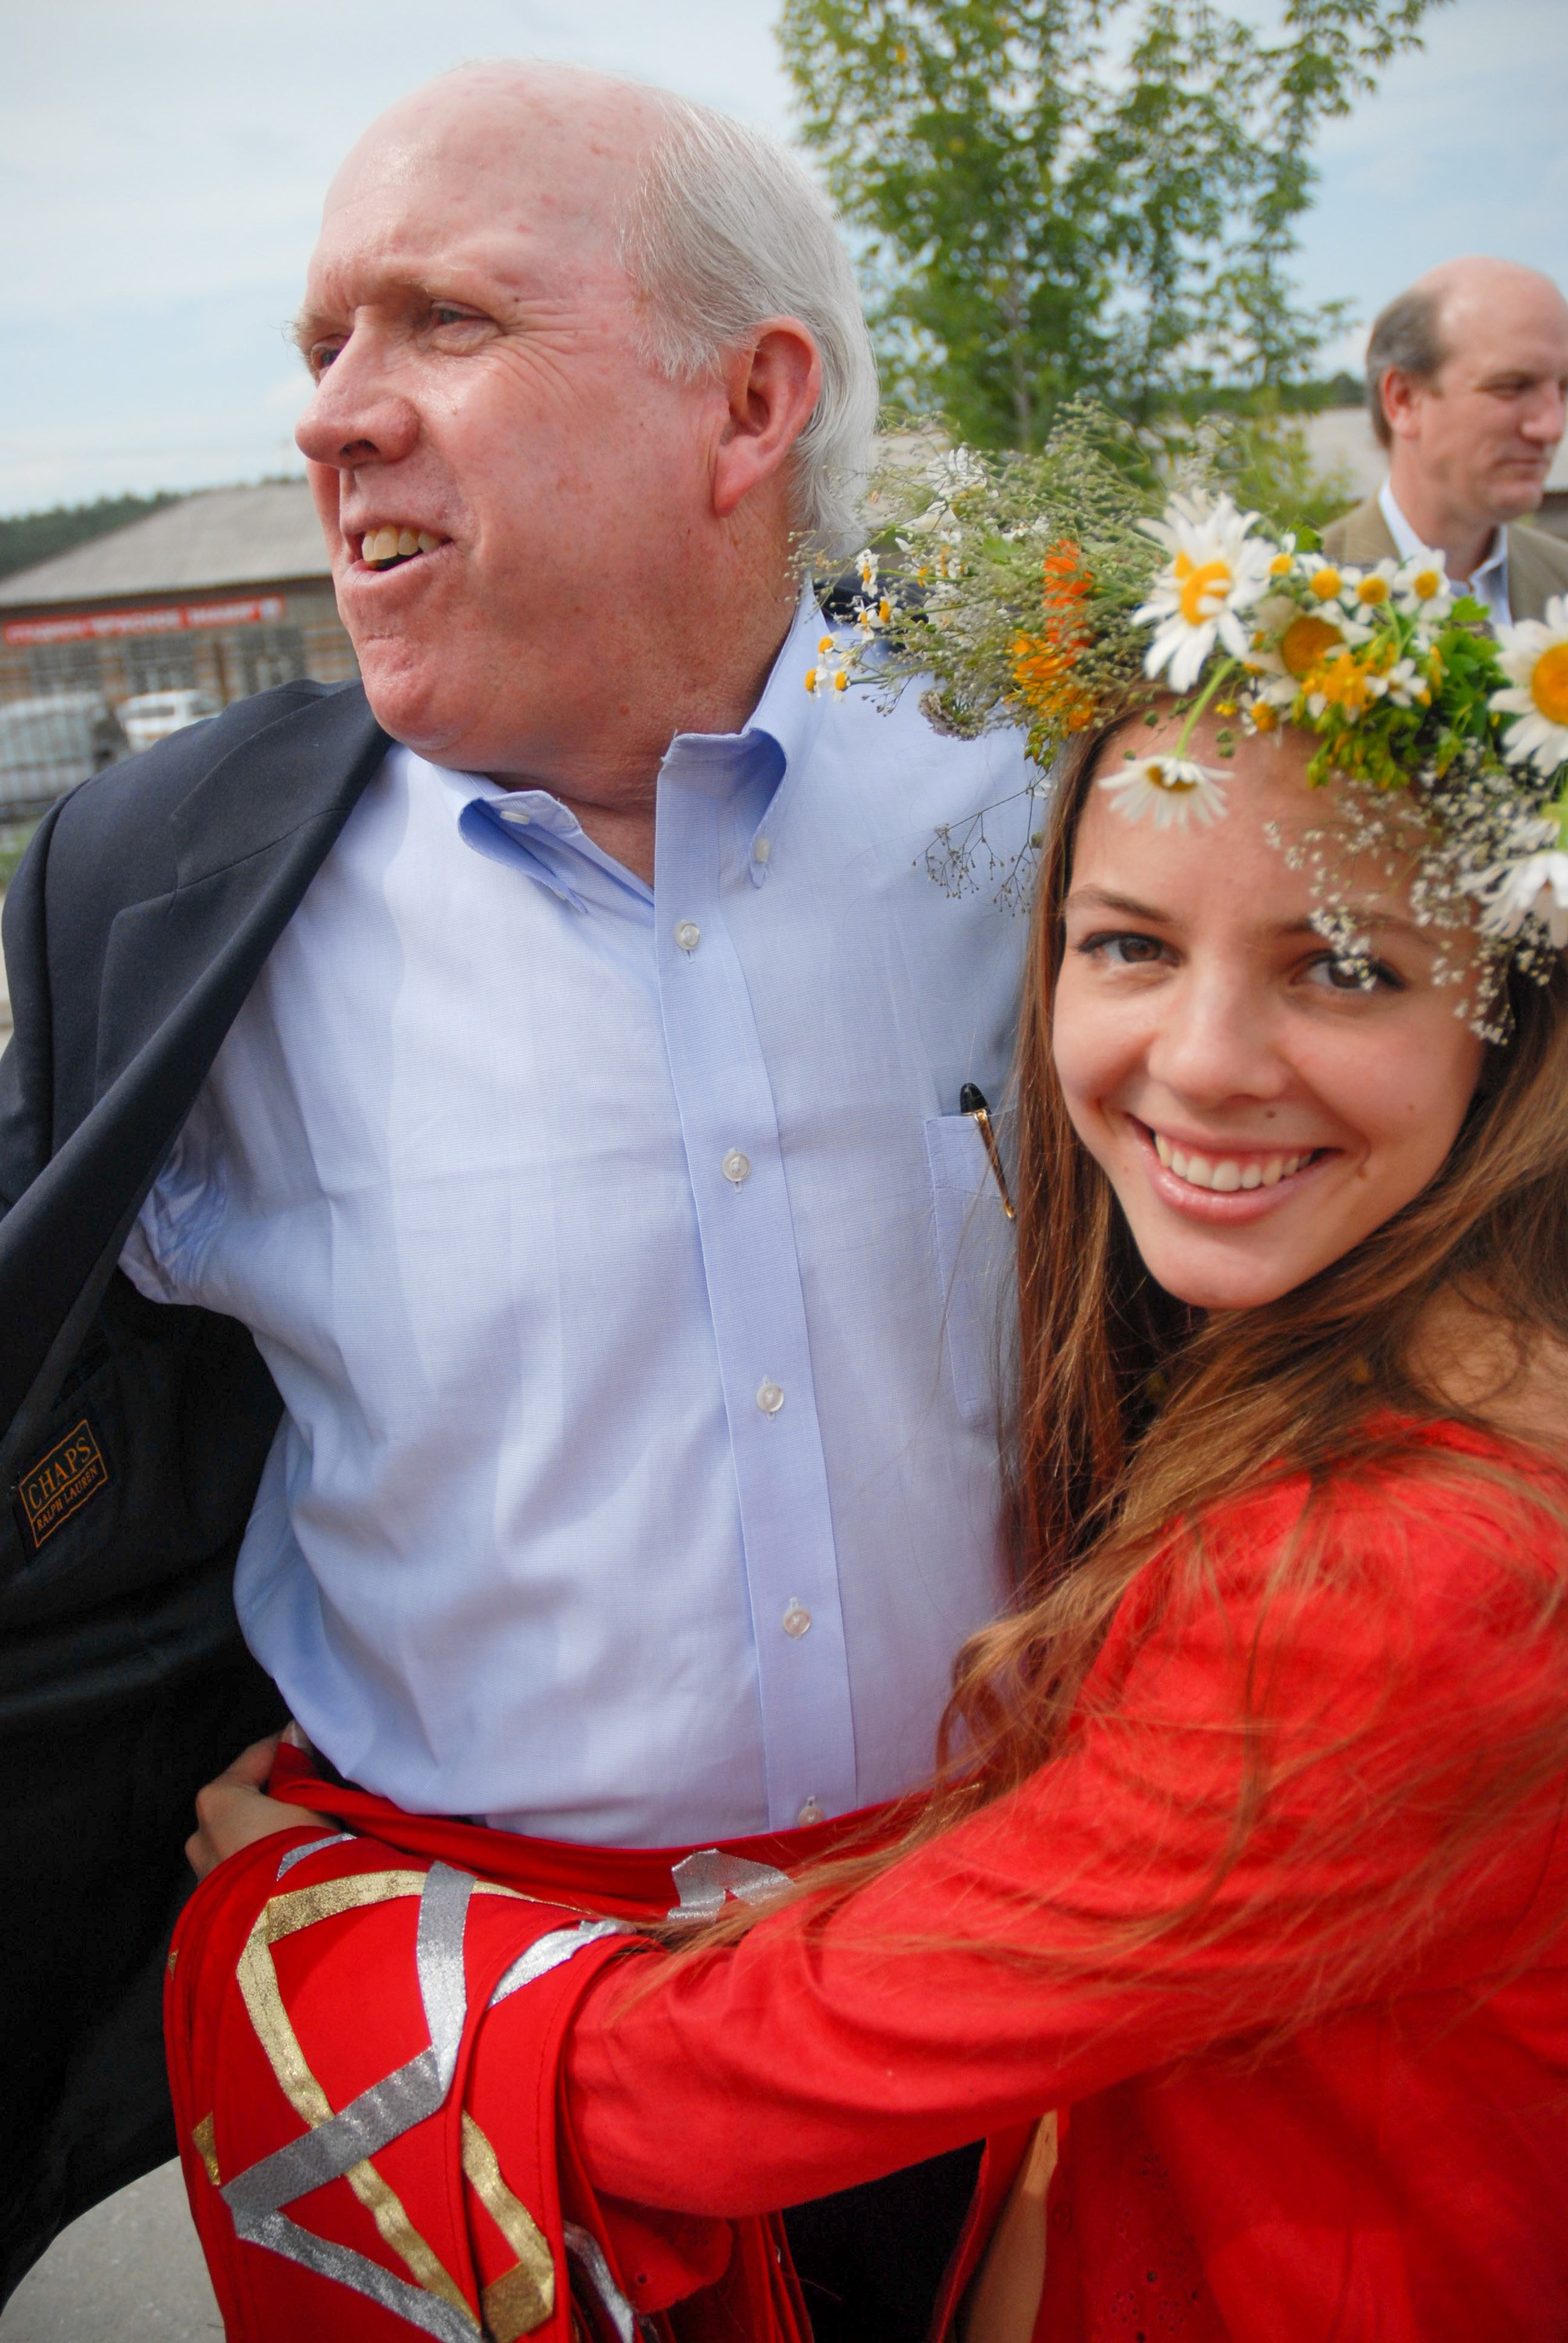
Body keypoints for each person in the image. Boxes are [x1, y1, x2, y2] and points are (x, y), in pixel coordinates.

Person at [176, 460, 1568, 2341]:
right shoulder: (1359, 1362)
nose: (1199, 1062)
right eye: (1127, 944)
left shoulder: (1399, 1574)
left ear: (1502, 1012)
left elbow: (722, 2086)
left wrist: (349, 1959)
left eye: (1339, 967)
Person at [0, 63, 1033, 2327]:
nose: (331, 415)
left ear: (748, 402)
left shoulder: (1051, 806)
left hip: (1029, 2007)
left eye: (443, 320)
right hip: (451, 2066)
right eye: (319, 346)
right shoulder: (168, 892)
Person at [1322, 255, 1568, 625]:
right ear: (1404, 399)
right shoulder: (1291, 607)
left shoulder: (1559, 579)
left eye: (1564, 389)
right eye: (1513, 387)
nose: (1552, 426)